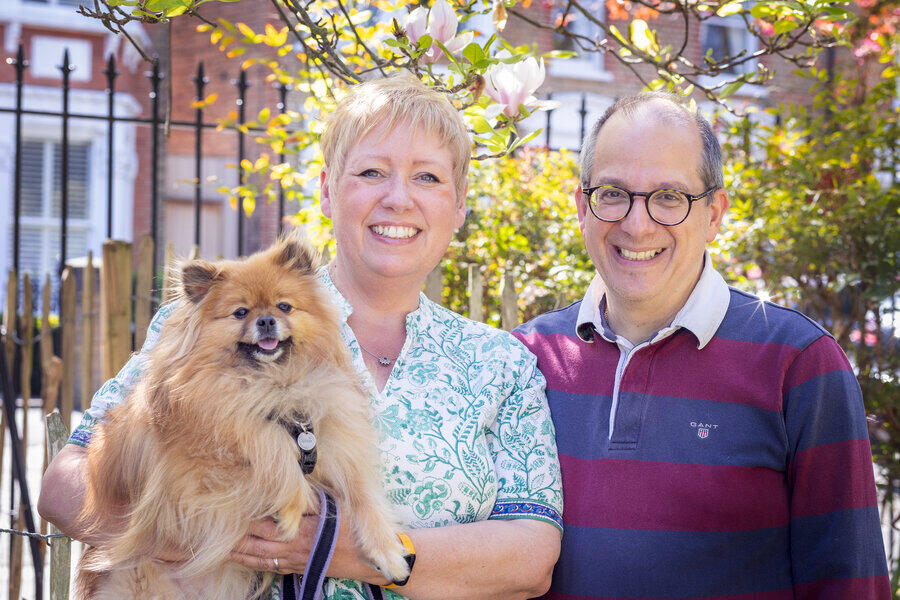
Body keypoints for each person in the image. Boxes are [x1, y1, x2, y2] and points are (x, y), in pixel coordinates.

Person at [38, 74, 563, 600]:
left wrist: (340, 549)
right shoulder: (208, 325)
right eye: (372, 172)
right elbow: (65, 483)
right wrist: (210, 533)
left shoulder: (501, 364)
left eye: (427, 177)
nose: (398, 198)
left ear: (460, 205)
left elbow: (531, 558)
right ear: (329, 191)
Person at [513, 92, 890, 599]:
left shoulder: (798, 365)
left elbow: (848, 585)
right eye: (613, 192)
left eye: (669, 196)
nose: (636, 223)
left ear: (714, 213)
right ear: (583, 206)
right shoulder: (526, 357)